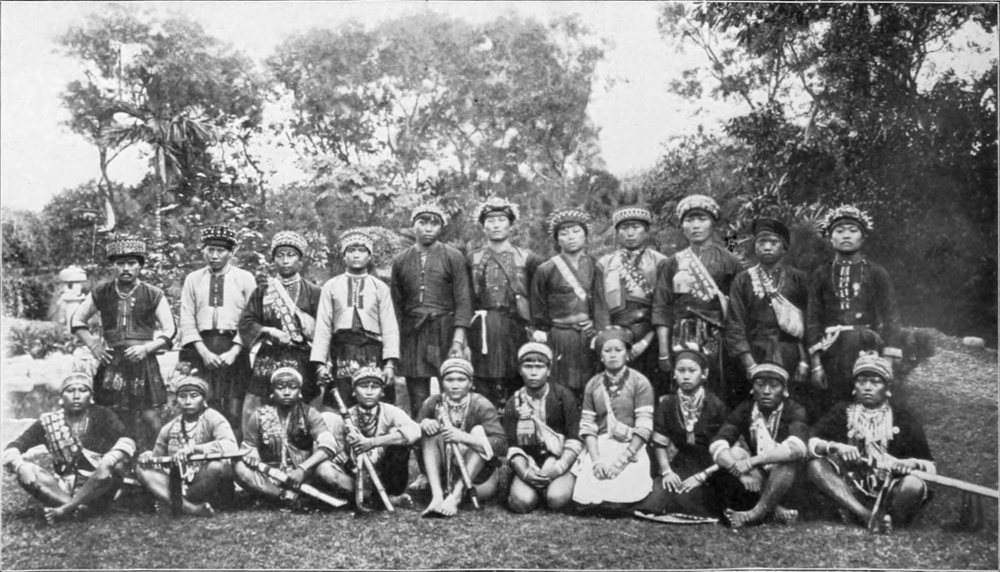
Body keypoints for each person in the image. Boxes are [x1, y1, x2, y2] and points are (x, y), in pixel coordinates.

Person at [808, 352, 935, 533]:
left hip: (889, 488)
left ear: (887, 388)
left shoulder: (903, 418)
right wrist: (837, 447)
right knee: (816, 466)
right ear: (854, 387)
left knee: (914, 484)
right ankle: (864, 515)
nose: (867, 387)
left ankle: (889, 518)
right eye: (861, 381)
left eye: (875, 382)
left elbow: (930, 466)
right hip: (849, 488)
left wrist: (910, 463)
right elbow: (812, 443)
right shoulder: (841, 411)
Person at [71, 234, 176, 449]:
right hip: (112, 363)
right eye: (120, 263)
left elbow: (171, 330)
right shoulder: (102, 292)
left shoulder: (153, 294)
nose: (126, 268)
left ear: (140, 265)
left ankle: (154, 458)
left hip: (143, 363)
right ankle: (116, 460)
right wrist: (95, 346)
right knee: (112, 415)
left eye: (132, 263)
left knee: (150, 417)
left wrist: (146, 348)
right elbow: (77, 320)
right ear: (113, 266)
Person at [806, 205, 903, 417]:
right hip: (832, 349)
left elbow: (891, 317)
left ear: (863, 237)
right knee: (833, 404)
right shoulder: (821, 273)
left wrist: (887, 361)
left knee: (867, 401)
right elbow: (812, 319)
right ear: (830, 237)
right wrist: (816, 364)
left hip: (868, 347)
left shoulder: (876, 273)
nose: (846, 235)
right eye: (839, 231)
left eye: (852, 230)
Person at [2, 372, 136, 524]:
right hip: (64, 487)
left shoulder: (103, 414)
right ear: (61, 397)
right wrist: (19, 466)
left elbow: (127, 439)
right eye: (70, 391)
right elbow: (13, 447)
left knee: (115, 467)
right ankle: (77, 508)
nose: (76, 396)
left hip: (98, 483)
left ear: (91, 397)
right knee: (28, 471)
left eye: (83, 390)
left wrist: (107, 461)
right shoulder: (48, 422)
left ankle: (65, 509)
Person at [653, 195, 743, 407]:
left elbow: (739, 308)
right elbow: (661, 307)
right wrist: (664, 350)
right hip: (681, 335)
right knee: (682, 388)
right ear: (682, 225)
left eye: (702, 219)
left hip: (717, 337)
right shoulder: (671, 263)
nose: (695, 225)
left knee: (717, 389)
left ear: (713, 223)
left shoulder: (729, 260)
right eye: (689, 220)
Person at [390, 204, 473, 420]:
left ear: (441, 227)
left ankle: (454, 437)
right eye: (422, 222)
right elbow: (396, 307)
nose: (428, 228)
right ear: (413, 225)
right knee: (419, 400)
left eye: (434, 223)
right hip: (412, 334)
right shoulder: (400, 261)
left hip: (445, 330)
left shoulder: (454, 257)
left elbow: (463, 301)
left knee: (453, 390)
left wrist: (458, 341)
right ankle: (422, 438)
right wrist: (395, 345)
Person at [633, 343, 731, 523]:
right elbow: (660, 442)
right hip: (680, 462)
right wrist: (667, 471)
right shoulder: (668, 404)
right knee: (656, 497)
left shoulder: (715, 405)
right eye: (681, 370)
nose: (686, 376)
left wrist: (703, 475)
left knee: (689, 498)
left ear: (704, 373)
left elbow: (727, 446)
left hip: (708, 465)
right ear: (674, 373)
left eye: (692, 371)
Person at [177, 225, 257, 437]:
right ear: (203, 250)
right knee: (204, 407)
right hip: (202, 349)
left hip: (235, 349)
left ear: (231, 252)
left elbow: (251, 318)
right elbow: (187, 319)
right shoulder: (193, 279)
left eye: (220, 251)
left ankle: (233, 453)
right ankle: (205, 452)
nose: (214, 256)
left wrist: (234, 351)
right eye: (210, 250)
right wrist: (203, 352)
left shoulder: (245, 278)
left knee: (234, 409)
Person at [710, 362, 809, 528]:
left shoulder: (794, 409)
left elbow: (795, 449)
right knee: (735, 453)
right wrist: (739, 472)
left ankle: (755, 514)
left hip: (790, 480)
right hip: (760, 477)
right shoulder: (745, 409)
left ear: (785, 390)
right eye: (760, 385)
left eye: (774, 385)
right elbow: (718, 443)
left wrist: (750, 462)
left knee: (785, 462)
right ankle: (774, 509)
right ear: (752, 388)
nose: (766, 391)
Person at [240, 231, 323, 428]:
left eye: (291, 255)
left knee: (303, 405)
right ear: (273, 259)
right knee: (256, 405)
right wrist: (269, 331)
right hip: (270, 355)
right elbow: (247, 322)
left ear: (300, 260)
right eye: (280, 255)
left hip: (302, 356)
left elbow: (323, 327)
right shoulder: (262, 290)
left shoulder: (314, 292)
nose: (285, 261)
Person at [726, 217, 809, 409]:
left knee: (791, 406)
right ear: (755, 247)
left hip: (791, 355)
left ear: (784, 248)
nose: (767, 247)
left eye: (774, 242)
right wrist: (749, 363)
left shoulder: (798, 279)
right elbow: (735, 323)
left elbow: (808, 322)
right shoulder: (743, 280)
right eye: (762, 242)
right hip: (755, 353)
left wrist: (805, 361)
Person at [467, 197, 543, 409]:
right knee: (483, 381)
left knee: (517, 377)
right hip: (483, 328)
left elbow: (538, 298)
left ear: (511, 224)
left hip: (517, 326)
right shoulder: (472, 259)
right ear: (483, 226)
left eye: (501, 219)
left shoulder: (528, 258)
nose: (496, 225)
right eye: (490, 220)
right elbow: (467, 299)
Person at [311, 230, 400, 409]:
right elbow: (323, 326)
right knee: (341, 404)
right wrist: (320, 364)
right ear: (344, 255)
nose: (356, 255)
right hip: (342, 351)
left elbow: (389, 327)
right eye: (351, 250)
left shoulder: (380, 287)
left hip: (372, 351)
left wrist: (390, 364)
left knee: (374, 401)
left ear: (369, 255)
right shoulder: (331, 286)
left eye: (361, 250)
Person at [571, 326, 655, 514]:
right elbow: (588, 427)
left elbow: (644, 428)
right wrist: (595, 461)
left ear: (627, 353)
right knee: (586, 501)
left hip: (631, 446)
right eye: (607, 350)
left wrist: (620, 463)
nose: (613, 355)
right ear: (601, 356)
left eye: (618, 350)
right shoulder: (593, 384)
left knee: (617, 502)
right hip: (600, 446)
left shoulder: (640, 382)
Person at [234, 368, 343, 508]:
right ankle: (286, 498)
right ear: (272, 391)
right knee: (240, 468)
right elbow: (247, 447)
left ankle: (278, 499)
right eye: (280, 388)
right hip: (270, 477)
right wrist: (251, 452)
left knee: (324, 469)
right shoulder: (258, 415)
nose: (286, 392)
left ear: (300, 391)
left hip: (303, 476)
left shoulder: (310, 413)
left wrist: (302, 469)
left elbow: (329, 445)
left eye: (292, 387)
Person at [135, 374, 238, 517]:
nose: (188, 401)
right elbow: (158, 459)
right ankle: (191, 508)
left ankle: (172, 503)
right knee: (141, 468)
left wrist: (194, 449)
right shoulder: (170, 427)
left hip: (203, 477)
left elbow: (231, 446)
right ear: (177, 400)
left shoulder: (214, 418)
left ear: (204, 399)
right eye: (183, 396)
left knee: (217, 466)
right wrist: (149, 456)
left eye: (194, 396)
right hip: (177, 482)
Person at [418, 358, 507, 518]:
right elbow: (415, 440)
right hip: (446, 477)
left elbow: (501, 445)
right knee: (429, 430)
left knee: (478, 432)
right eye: (449, 380)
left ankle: (456, 495)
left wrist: (464, 437)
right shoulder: (432, 403)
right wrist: (424, 423)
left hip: (477, 481)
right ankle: (437, 496)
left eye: (461, 380)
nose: (455, 385)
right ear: (442, 382)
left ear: (470, 382)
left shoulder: (482, 405)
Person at [595, 206, 668, 398]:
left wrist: (646, 341)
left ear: (646, 231)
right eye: (624, 228)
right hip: (615, 340)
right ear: (617, 232)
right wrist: (611, 341)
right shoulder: (605, 264)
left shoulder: (660, 262)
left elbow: (663, 306)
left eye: (636, 227)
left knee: (651, 392)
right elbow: (600, 308)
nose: (630, 233)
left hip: (649, 338)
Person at [324, 367, 421, 509]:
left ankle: (384, 495)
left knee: (397, 434)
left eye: (375, 387)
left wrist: (372, 442)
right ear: (353, 391)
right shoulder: (344, 418)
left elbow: (415, 431)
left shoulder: (391, 412)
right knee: (325, 469)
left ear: (382, 392)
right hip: (355, 475)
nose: (369, 392)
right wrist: (342, 455)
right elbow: (337, 450)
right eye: (363, 386)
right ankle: (378, 499)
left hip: (387, 476)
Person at [530, 208, 601, 402]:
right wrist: (543, 333)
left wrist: (595, 324)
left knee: (589, 385)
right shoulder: (545, 269)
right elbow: (538, 306)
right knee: (559, 386)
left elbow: (601, 301)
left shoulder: (595, 266)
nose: (571, 237)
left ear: (585, 235)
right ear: (557, 239)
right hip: (558, 335)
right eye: (564, 233)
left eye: (576, 231)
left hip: (587, 335)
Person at [503, 342, 582, 514]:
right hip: (529, 460)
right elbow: (512, 445)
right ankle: (529, 486)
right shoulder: (514, 402)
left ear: (549, 370)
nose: (533, 372)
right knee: (521, 502)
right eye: (528, 366)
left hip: (558, 458)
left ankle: (551, 487)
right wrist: (525, 473)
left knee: (557, 499)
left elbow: (574, 438)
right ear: (520, 370)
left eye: (539, 367)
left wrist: (557, 469)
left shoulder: (564, 396)